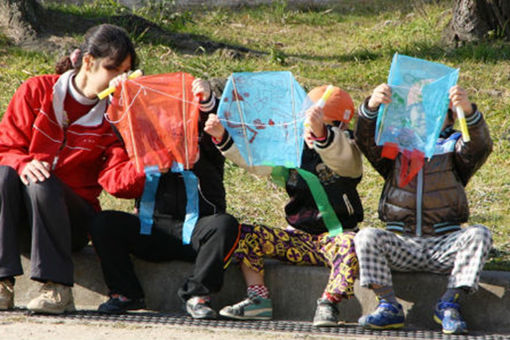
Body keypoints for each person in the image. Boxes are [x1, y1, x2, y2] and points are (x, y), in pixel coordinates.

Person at [0, 24, 145, 314]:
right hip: (24, 221)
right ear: (89, 62)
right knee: (5, 173)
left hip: (73, 223)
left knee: (42, 182)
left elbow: (120, 185)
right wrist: (22, 162)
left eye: (126, 73)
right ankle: (2, 283)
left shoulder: (114, 117)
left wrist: (142, 150)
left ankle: (58, 288)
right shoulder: (37, 91)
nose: (120, 80)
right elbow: (5, 147)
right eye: (114, 70)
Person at [204, 86, 364, 326]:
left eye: (325, 123)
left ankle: (329, 303)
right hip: (299, 239)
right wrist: (223, 137)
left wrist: (322, 134)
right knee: (247, 235)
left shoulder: (347, 147)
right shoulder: (292, 148)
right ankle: (258, 299)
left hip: (338, 238)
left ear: (341, 125)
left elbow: (341, 158)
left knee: (354, 243)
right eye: (308, 122)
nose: (312, 128)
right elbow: (260, 165)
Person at [88, 78, 241, 320]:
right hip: (152, 231)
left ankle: (197, 295)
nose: (171, 128)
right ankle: (126, 293)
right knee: (103, 222)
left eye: (178, 122)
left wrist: (208, 101)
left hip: (197, 234)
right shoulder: (141, 145)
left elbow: (223, 133)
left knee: (225, 224)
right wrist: (117, 98)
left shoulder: (204, 142)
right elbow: (118, 129)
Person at [353, 83, 493, 334]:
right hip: (402, 242)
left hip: (444, 243)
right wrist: (372, 107)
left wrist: (468, 111)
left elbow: (480, 146)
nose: (425, 116)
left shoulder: (455, 148)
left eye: (435, 112)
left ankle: (449, 304)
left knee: (479, 233)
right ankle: (388, 306)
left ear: (450, 119)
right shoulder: (394, 149)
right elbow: (365, 140)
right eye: (418, 110)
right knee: (366, 236)